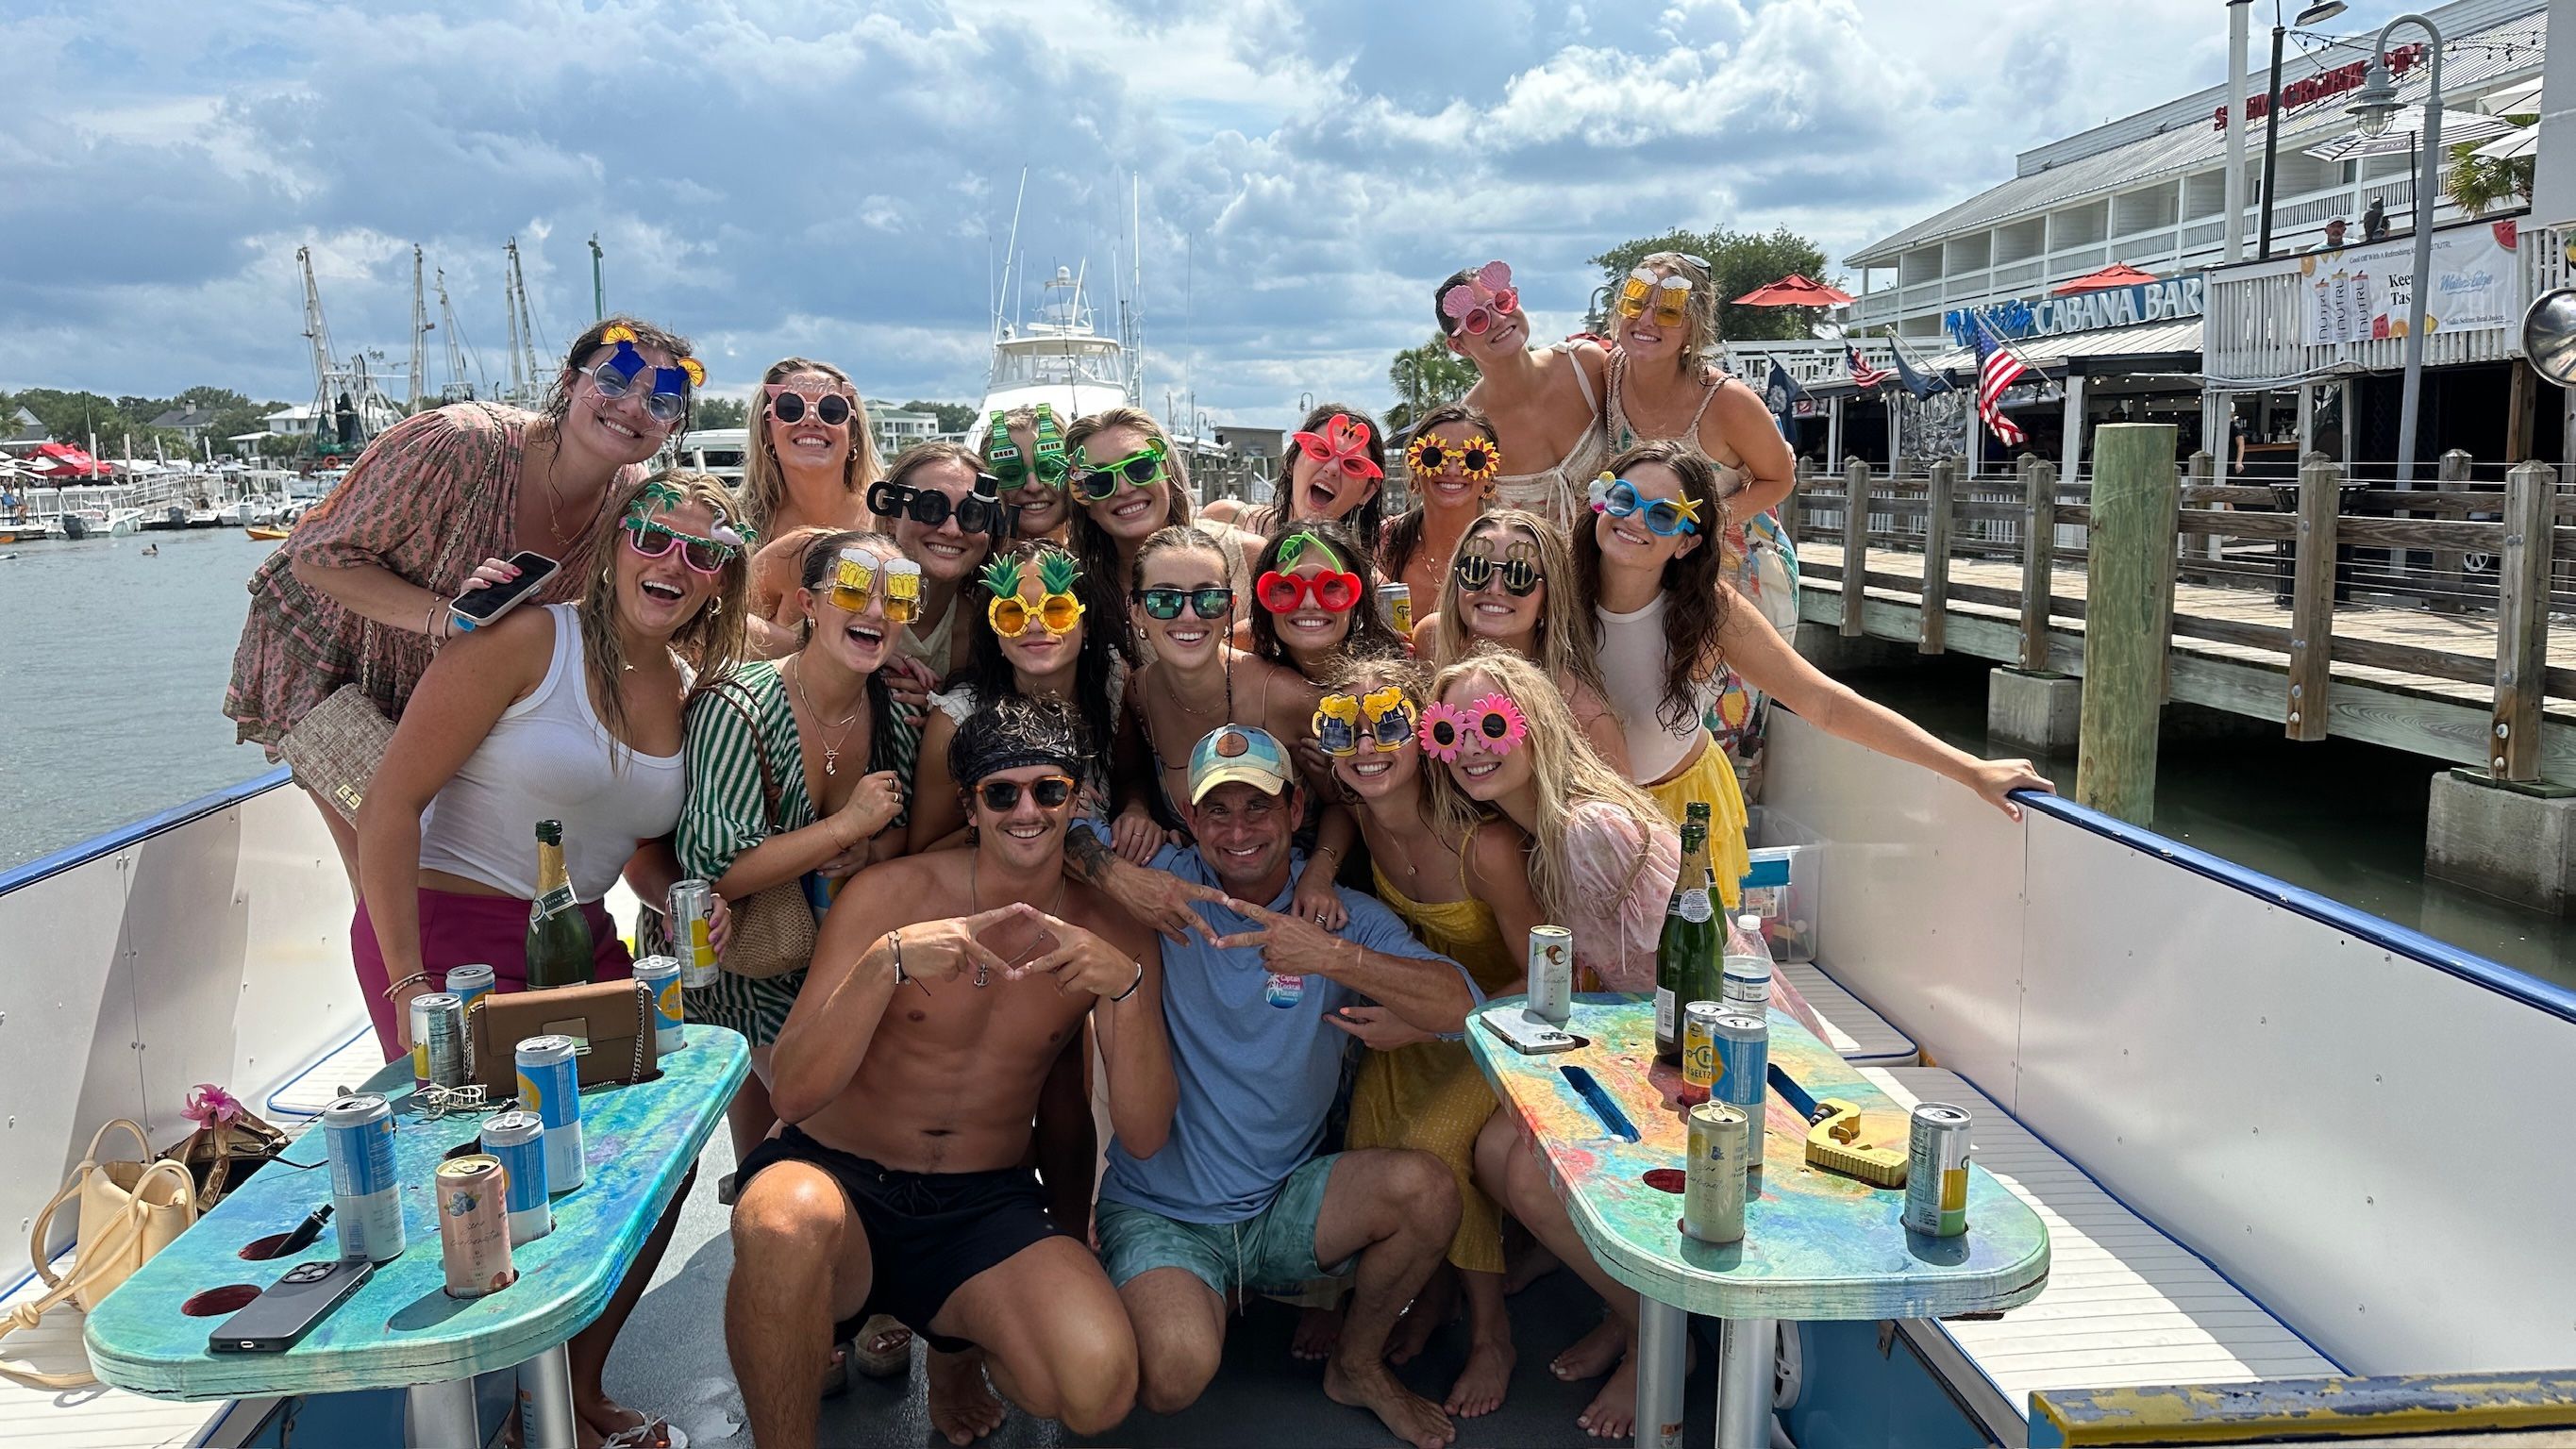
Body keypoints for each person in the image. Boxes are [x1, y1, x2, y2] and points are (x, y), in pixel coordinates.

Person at [355, 470, 744, 1449]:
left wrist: (688, 901)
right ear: (615, 539)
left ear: (720, 580)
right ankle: (480, 1403)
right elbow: (389, 805)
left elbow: (638, 844)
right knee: (485, 1183)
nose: (674, 563)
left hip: (582, 944)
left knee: (650, 1164)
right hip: (448, 941)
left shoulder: (688, 686)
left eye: (704, 552)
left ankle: (570, 1392)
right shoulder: (531, 641)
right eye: (654, 536)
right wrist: (409, 984)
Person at [728, 697, 1174, 1449]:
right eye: (1002, 792)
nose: (1025, 810)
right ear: (970, 806)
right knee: (779, 1222)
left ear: (1079, 798)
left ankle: (955, 1350)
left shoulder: (1114, 932)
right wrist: (887, 962)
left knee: (1098, 1384)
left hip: (979, 1205)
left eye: (1048, 790)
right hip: (839, 1181)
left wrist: (1123, 989)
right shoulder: (890, 896)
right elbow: (795, 1090)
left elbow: (1144, 1131)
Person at [1061, 725, 1483, 1449]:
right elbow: (1052, 819)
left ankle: (1356, 1363)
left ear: (1295, 813)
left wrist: (1331, 955)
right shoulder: (1159, 880)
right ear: (1189, 820)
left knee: (1428, 1191)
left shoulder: (1333, 913)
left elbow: (1464, 1005)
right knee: (1174, 1375)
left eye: (1257, 807)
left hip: (1282, 1205)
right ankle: (1199, 1293)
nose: (1238, 829)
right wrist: (1113, 873)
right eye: (1216, 810)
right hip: (1163, 1210)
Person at [226, 316, 700, 885]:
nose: (631, 406)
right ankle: (399, 977)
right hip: (336, 663)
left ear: (673, 426)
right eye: (615, 379)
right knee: (389, 873)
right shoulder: (462, 444)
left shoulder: (629, 495)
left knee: (442, 863)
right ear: (570, 381)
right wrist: (444, 616)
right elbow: (315, 556)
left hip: (458, 681)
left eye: (662, 399)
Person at [1577, 441, 2055, 833]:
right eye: (1623, 499)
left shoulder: (1711, 613)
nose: (1635, 519)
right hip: (1573, 804)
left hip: (1681, 814)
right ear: (1601, 502)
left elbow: (1823, 702)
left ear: (1688, 542)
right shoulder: (1551, 587)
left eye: (1662, 515)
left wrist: (1970, 769)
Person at [1315, 658, 1543, 1419]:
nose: (1367, 745)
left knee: (1436, 1141)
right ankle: (1426, 1291)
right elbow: (1341, 806)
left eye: (1386, 723)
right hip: (1424, 1020)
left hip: (1503, 1023)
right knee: (1369, 1121)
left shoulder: (1486, 848)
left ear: (1425, 736)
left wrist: (1425, 1022)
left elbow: (1550, 982)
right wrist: (1319, 869)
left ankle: (1495, 1334)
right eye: (1342, 731)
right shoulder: (1363, 821)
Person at [679, 531, 919, 1161]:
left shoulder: (893, 718)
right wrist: (843, 829)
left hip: (831, 968)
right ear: (809, 604)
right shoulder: (739, 707)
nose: (874, 612)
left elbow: (904, 838)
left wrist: (870, 852)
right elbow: (715, 873)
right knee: (834, 1134)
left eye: (894, 598)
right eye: (850, 591)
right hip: (739, 971)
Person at [1601, 251, 1802, 791]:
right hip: (1662, 560)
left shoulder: (1728, 402)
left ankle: (1728, 833)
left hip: (1738, 564)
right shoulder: (1606, 374)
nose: (1647, 321)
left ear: (1693, 327)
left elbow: (1779, 478)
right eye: (1636, 301)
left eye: (1668, 311)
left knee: (1725, 713)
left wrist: (1704, 523)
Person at [1118, 525, 1351, 927]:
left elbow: (1349, 802)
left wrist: (1320, 872)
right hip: (1205, 909)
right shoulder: (1138, 693)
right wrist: (1138, 810)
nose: (1188, 615)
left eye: (1207, 598)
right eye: (1163, 599)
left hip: (1306, 912)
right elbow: (1131, 774)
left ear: (1230, 608)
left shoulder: (1286, 697)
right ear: (1136, 610)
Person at [912, 541, 1132, 850]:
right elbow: (925, 851)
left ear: (1086, 624)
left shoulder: (1110, 682)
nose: (1033, 625)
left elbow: (1131, 777)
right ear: (993, 629)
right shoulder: (956, 720)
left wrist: (1139, 811)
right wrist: (1042, 816)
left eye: (1056, 609)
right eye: (1012, 613)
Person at [1413, 509, 1630, 774]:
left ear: (1548, 600)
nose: (1493, 588)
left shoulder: (1582, 713)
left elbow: (1624, 810)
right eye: (1476, 569)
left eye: (1518, 576)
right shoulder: (1430, 640)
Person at [1442, 260, 1610, 531]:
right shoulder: (1468, 432)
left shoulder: (1585, 365)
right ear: (1458, 345)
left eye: (1502, 301)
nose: (1497, 319)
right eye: (1477, 319)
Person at [737, 358, 885, 659]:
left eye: (832, 410)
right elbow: (709, 620)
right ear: (767, 432)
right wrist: (818, 650)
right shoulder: (736, 525)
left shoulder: (888, 518)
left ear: (853, 435)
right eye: (790, 408)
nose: (812, 420)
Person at [1063, 407, 1263, 608]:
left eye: (1140, 467)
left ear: (1169, 473)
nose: (1124, 489)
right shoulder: (1076, 591)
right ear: (1084, 502)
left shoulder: (1247, 558)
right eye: (1099, 480)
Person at [871, 441, 1008, 684]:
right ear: (892, 517)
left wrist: (938, 704)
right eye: (931, 507)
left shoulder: (983, 635)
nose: (952, 530)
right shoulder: (829, 568)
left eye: (973, 514)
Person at [1235, 518, 1409, 684]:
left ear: (1357, 598)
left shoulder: (1385, 690)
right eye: (1287, 587)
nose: (1310, 603)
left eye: (1330, 585)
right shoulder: (1242, 686)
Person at [1203, 403, 1391, 543]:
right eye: (1321, 450)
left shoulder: (1364, 582)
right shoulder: (1225, 519)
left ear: (1368, 492)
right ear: (1291, 461)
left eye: (1352, 464)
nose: (1332, 468)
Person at [1380, 402, 1500, 609]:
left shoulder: (1508, 547)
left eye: (1472, 459)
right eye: (1434, 457)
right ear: (1415, 467)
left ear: (1490, 476)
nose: (1452, 470)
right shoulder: (1385, 542)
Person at [981, 403, 1075, 541]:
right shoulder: (967, 560)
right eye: (1010, 474)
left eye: (1050, 470)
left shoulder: (1106, 557)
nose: (1033, 486)